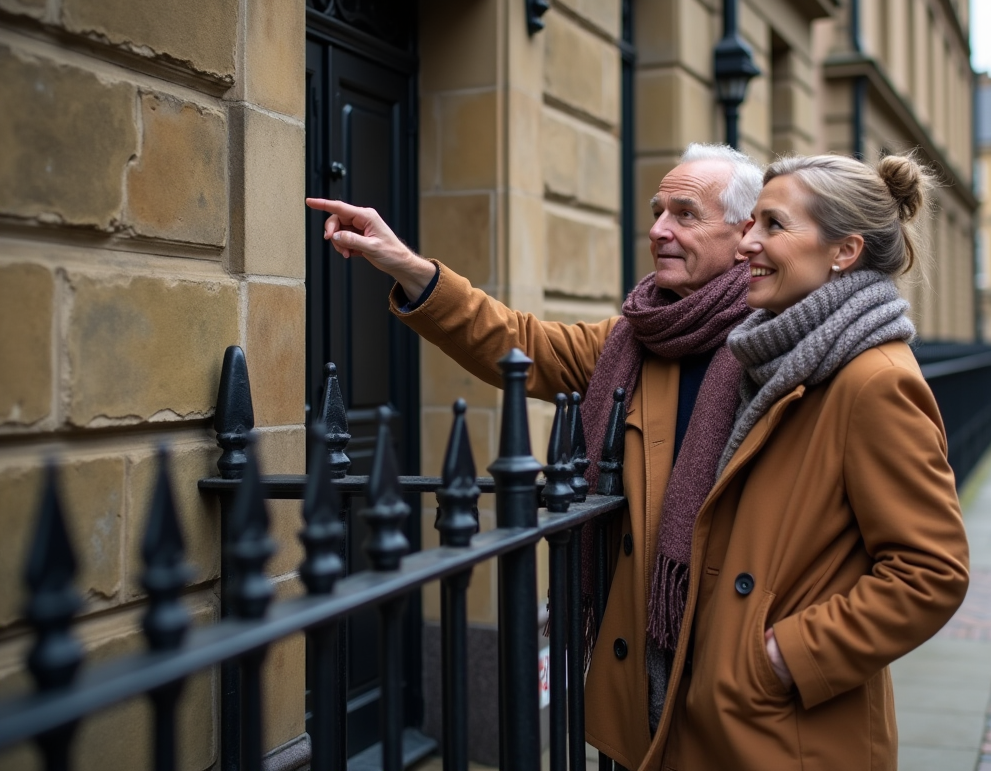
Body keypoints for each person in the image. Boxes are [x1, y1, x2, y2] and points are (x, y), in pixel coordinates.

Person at [306, 143, 764, 768]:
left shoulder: (787, 345)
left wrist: (786, 655)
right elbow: (521, 343)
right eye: (658, 211)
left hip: (747, 673)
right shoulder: (632, 339)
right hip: (651, 666)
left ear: (745, 233)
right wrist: (409, 268)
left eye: (685, 214)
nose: (658, 230)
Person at [635, 152, 970, 771]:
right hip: (726, 716)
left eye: (773, 226)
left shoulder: (874, 380)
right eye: (751, 222)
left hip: (790, 736)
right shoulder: (777, 356)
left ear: (843, 252)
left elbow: (932, 573)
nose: (747, 244)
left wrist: (782, 659)